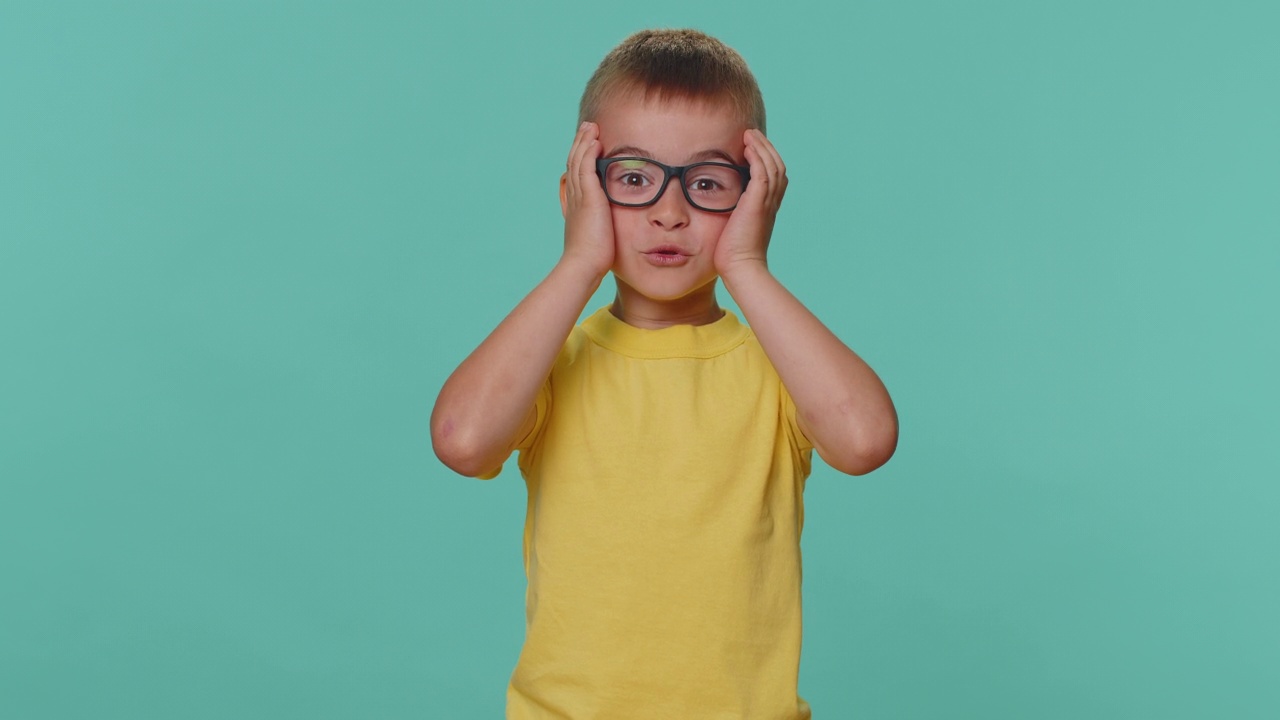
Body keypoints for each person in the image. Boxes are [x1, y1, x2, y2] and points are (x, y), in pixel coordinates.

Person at [431, 28, 898, 719]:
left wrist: (747, 267)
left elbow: (865, 441)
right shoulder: (552, 363)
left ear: (755, 198)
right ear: (579, 194)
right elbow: (462, 440)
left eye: (708, 183)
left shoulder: (776, 369)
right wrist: (578, 262)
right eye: (632, 179)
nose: (669, 212)